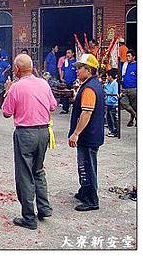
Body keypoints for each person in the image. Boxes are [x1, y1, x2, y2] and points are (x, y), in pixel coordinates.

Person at [2, 54, 56, 230]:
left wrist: (7, 90)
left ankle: (29, 217)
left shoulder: (16, 87)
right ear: (32, 67)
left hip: (25, 133)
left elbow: (6, 112)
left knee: (25, 175)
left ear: (17, 69)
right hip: (43, 132)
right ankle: (44, 208)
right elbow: (53, 106)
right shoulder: (43, 83)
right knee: (39, 170)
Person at [68, 54, 105, 212]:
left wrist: (76, 133)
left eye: (79, 68)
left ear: (88, 70)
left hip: (88, 135)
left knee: (87, 166)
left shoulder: (89, 88)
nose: (77, 71)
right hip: (91, 134)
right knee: (84, 165)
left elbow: (86, 113)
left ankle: (91, 199)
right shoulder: (92, 84)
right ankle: (84, 191)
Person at [120, 49, 137, 127]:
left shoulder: (137, 65)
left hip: (134, 88)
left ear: (134, 57)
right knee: (124, 103)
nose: (127, 58)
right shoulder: (125, 65)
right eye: (126, 56)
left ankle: (131, 121)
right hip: (125, 88)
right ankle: (135, 115)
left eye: (129, 56)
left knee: (135, 106)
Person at [60, 49, 77, 114]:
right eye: (67, 53)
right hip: (66, 81)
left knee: (74, 96)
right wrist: (61, 77)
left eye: (69, 53)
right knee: (65, 95)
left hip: (74, 81)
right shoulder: (66, 61)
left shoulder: (76, 61)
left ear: (73, 54)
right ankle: (65, 109)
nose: (67, 54)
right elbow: (63, 70)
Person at [104, 68, 119, 137]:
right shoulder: (108, 83)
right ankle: (112, 130)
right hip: (108, 104)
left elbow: (115, 96)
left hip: (113, 104)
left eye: (107, 76)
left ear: (110, 76)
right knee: (109, 118)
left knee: (113, 119)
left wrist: (109, 100)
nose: (107, 77)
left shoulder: (115, 84)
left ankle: (115, 131)